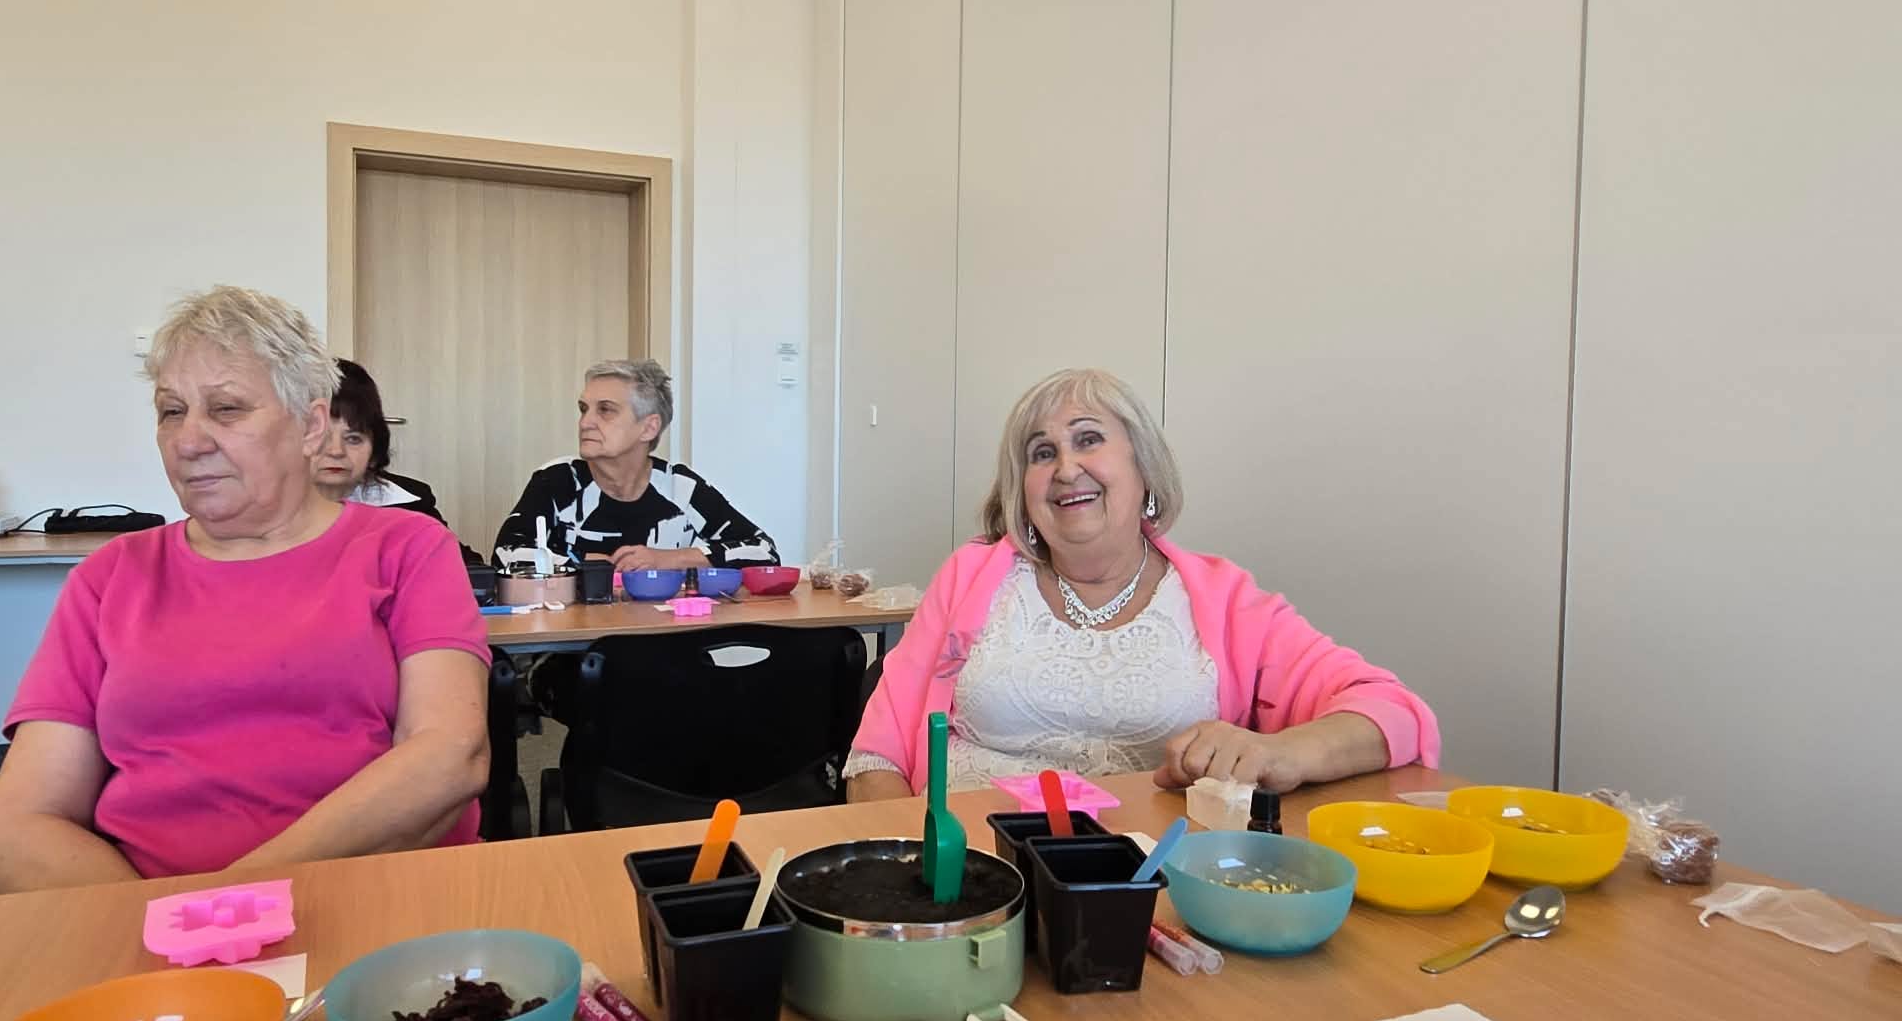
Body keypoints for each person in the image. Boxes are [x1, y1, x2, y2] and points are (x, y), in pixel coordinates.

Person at [0, 286, 491, 888]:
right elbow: (21, 819)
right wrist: (152, 921)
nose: (188, 441)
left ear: (311, 427)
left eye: (226, 409)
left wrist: (228, 904)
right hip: (143, 915)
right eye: (171, 411)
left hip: (372, 894)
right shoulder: (109, 576)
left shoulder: (406, 548)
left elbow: (449, 754)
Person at [844, 368, 1439, 801]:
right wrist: (912, 867)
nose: (1066, 468)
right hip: (969, 873)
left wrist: (1277, 753)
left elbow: (1395, 713)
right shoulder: (971, 576)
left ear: (1143, 466)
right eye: (1042, 453)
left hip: (1149, 877)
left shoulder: (1225, 599)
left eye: (1088, 439)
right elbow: (876, 756)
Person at [493, 357, 779, 571]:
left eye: (605, 410)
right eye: (584, 409)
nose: (585, 422)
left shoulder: (680, 488)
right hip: (576, 633)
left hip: (662, 629)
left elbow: (764, 552)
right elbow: (506, 554)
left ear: (649, 427)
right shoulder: (558, 480)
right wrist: (582, 563)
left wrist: (669, 559)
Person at [314, 359, 448, 522]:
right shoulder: (283, 510)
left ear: (374, 450)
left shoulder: (414, 505)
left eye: (353, 439)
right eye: (321, 436)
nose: (336, 451)